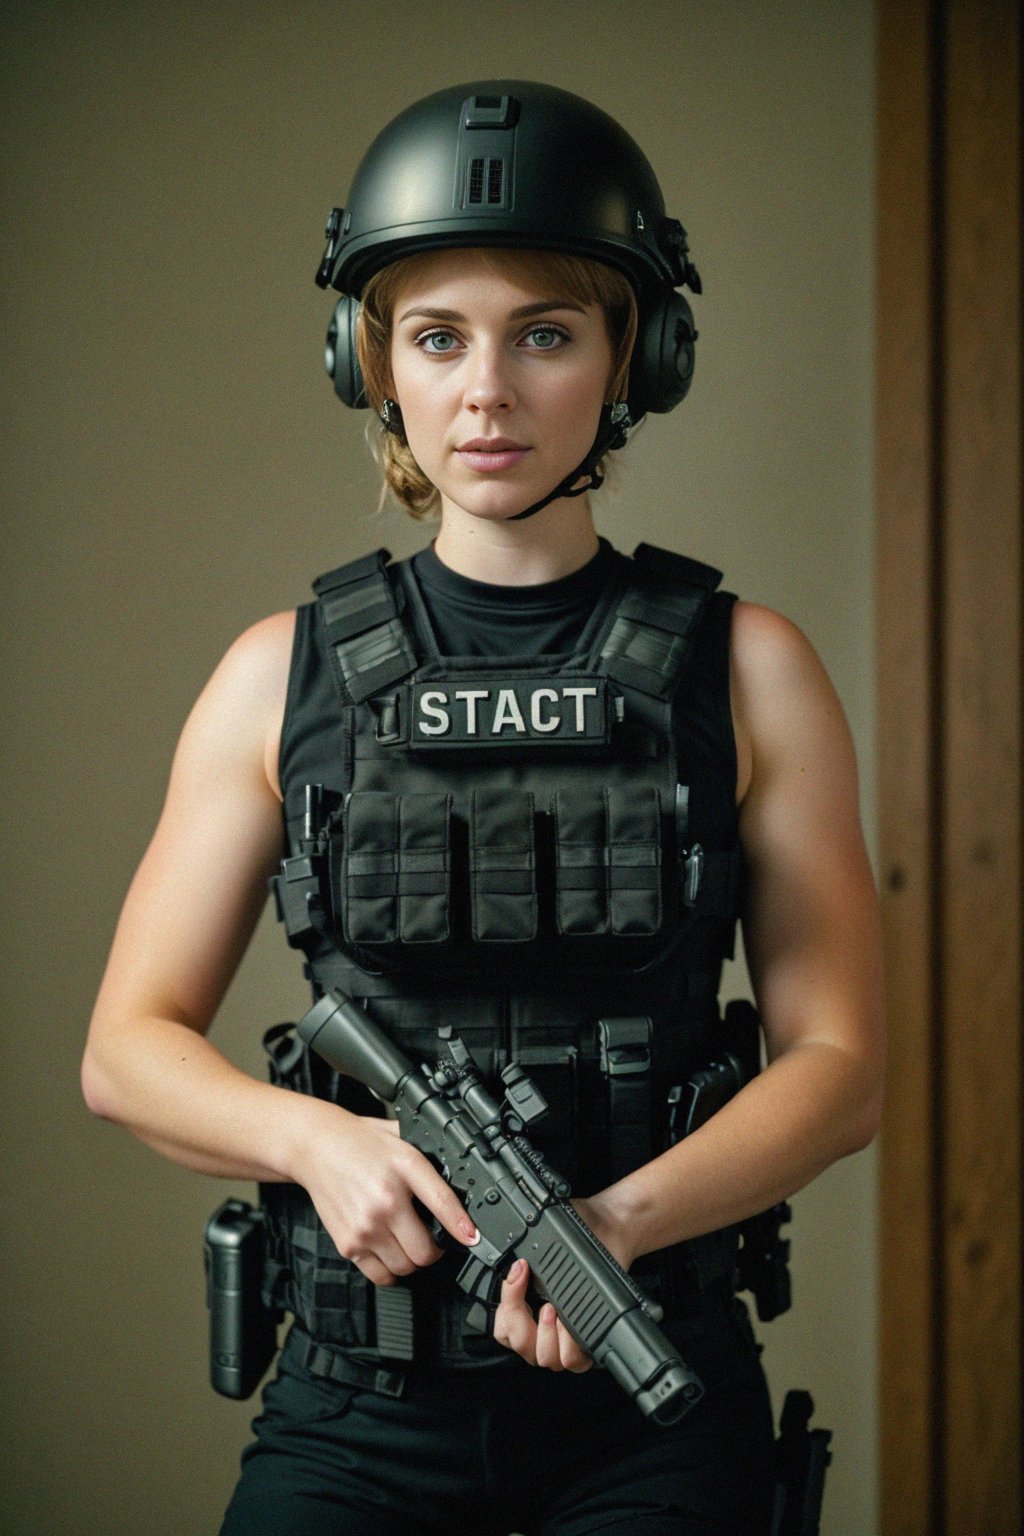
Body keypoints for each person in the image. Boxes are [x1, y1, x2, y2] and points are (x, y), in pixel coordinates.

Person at [82, 80, 884, 1535]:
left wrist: (613, 1229)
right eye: (436, 337)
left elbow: (843, 1067)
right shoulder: (283, 673)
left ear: (641, 360)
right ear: (368, 361)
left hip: (652, 1413)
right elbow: (125, 1052)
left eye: (547, 335)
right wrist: (318, 1145)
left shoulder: (747, 670)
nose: (487, 393)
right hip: (352, 1409)